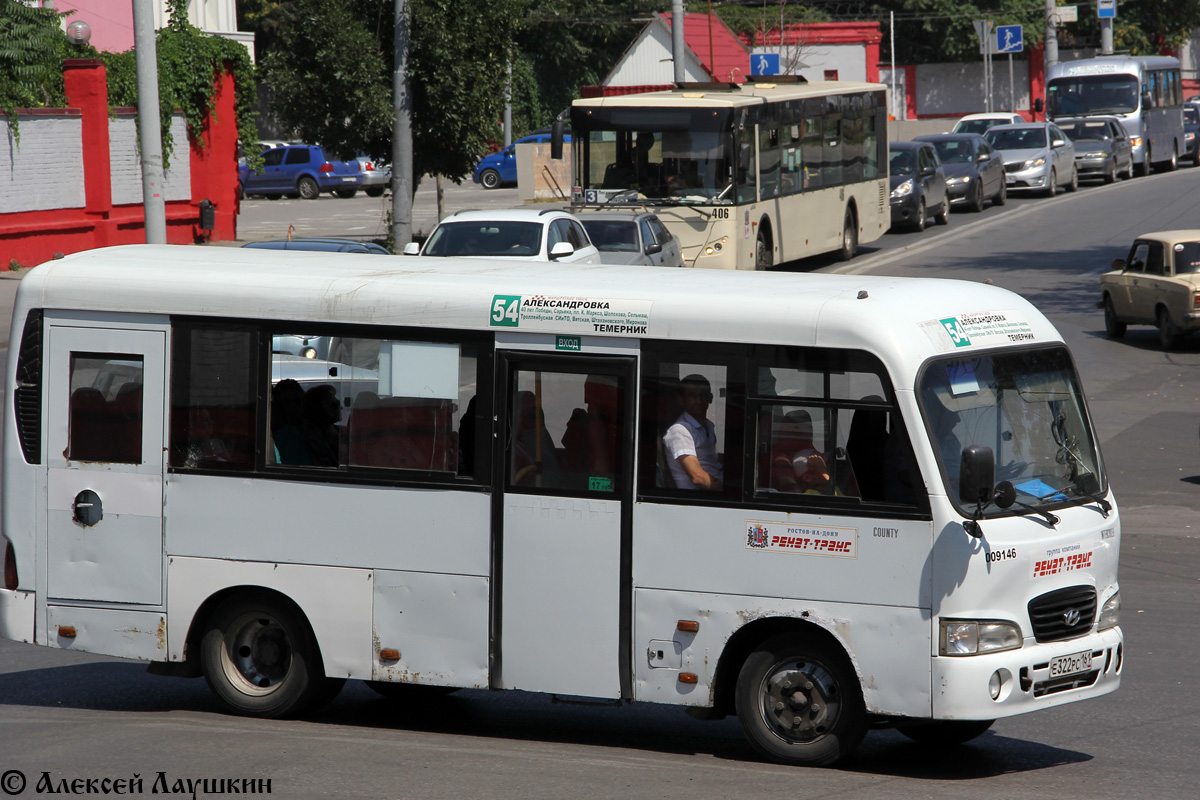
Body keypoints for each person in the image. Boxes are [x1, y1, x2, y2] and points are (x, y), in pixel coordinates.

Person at [663, 374, 723, 491]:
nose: (699, 401)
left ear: (710, 398)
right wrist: (729, 491)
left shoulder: (708, 426)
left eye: (703, 395)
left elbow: (708, 459)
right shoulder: (679, 431)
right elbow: (698, 477)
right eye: (692, 395)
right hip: (698, 499)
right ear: (681, 400)